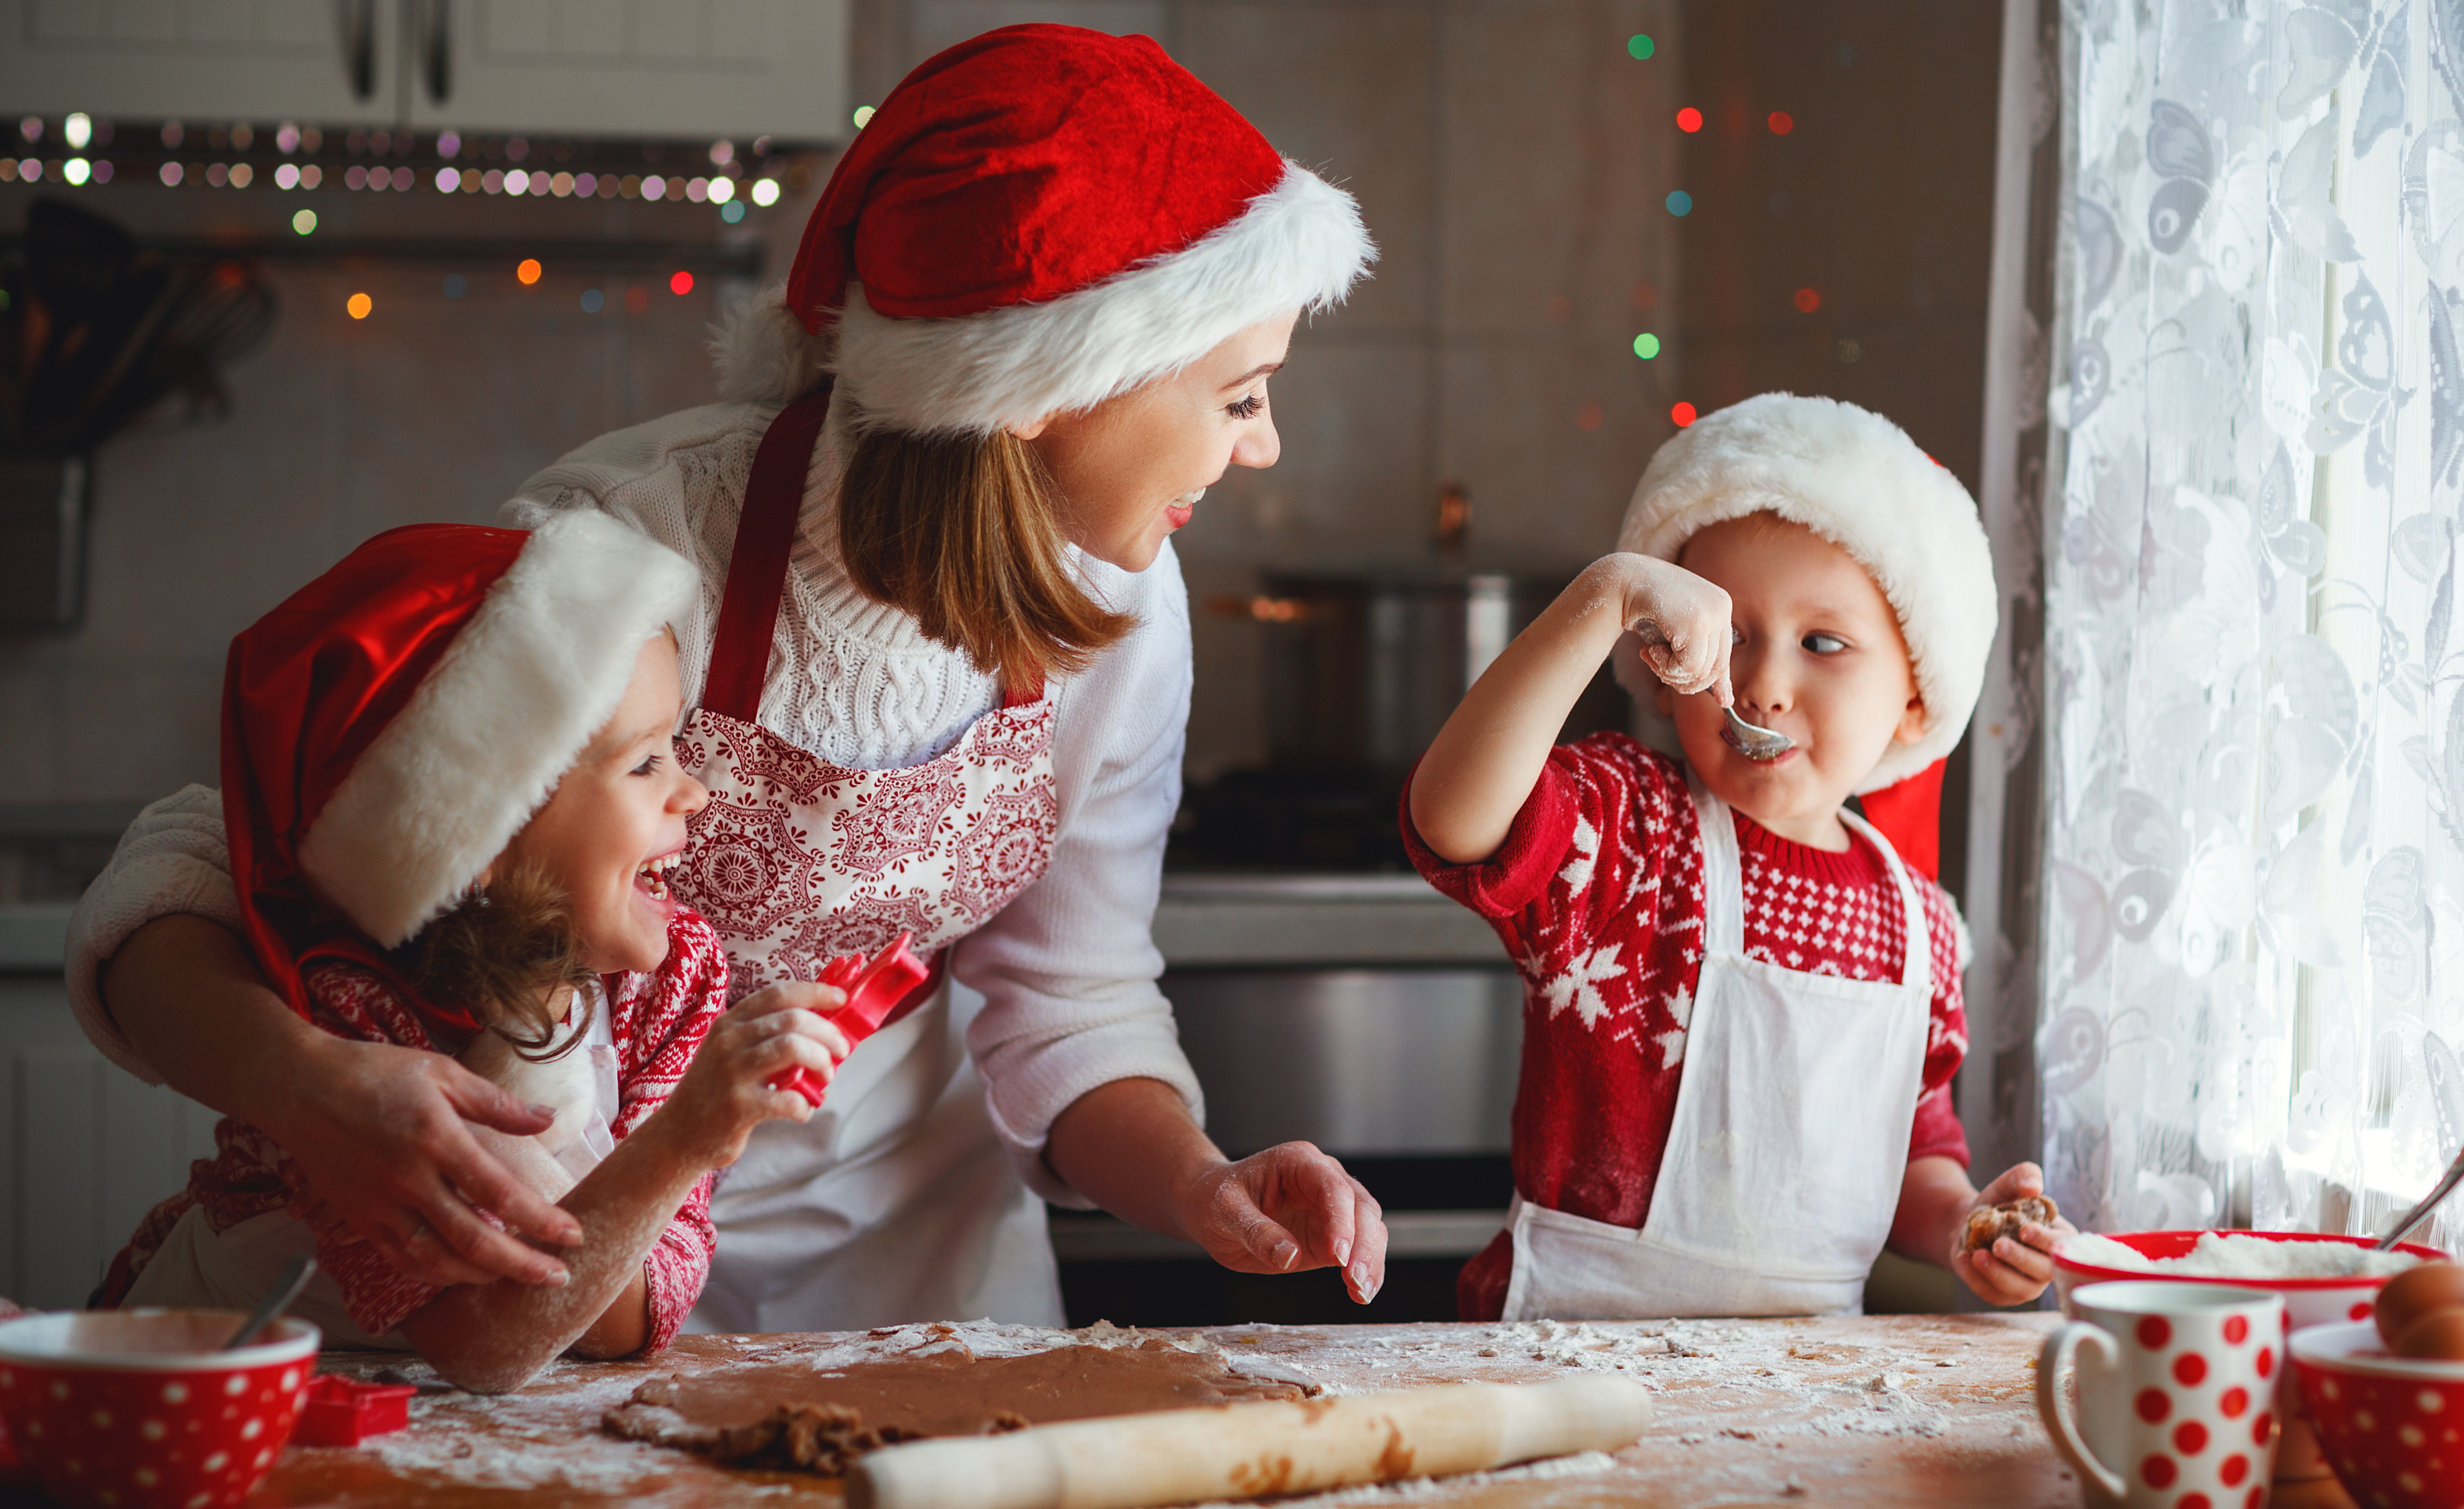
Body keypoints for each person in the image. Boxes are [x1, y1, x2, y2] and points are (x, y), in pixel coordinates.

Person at [65, 24, 1389, 1328]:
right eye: (1237, 395)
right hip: (572, 1272)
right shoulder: (638, 540)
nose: (1260, 445)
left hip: (929, 1285)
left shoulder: (1128, 604)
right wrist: (301, 1081)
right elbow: (216, 852)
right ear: (1050, 385)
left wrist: (1202, 1183)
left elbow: (1071, 995)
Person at [106, 515, 852, 1390]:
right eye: (645, 764)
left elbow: (625, 1320)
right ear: (482, 841)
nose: (694, 790)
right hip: (206, 1384)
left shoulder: (672, 977)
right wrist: (687, 1136)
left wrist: (678, 1154)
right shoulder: (353, 1014)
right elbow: (486, 1341)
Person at [1403, 393, 2074, 1321]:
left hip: (1805, 1400)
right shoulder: (1625, 831)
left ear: (1918, 697)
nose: (1761, 684)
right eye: (1731, 637)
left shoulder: (1922, 923)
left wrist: (1964, 1218)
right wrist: (1603, 598)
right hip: (1558, 1362)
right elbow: (1452, 817)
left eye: (1823, 642)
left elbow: (1912, 1149)